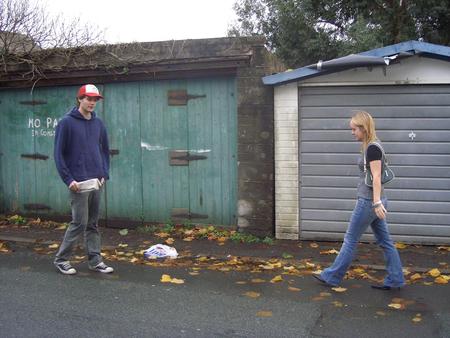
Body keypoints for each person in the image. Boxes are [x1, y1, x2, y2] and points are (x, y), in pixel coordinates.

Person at [313, 111, 404, 290]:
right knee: (385, 241)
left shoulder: (372, 148)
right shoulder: (372, 145)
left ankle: (332, 276)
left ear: (363, 128)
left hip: (369, 202)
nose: (352, 132)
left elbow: (377, 177)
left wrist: (376, 202)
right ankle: (395, 279)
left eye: (354, 129)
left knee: (350, 239)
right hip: (374, 201)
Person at [53, 84, 113, 275]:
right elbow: (58, 154)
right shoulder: (66, 123)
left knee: (93, 224)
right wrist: (68, 179)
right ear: (79, 99)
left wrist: (104, 173)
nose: (92, 103)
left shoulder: (98, 123)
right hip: (78, 183)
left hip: (96, 181)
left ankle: (95, 260)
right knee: (79, 223)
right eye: (88, 99)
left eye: (95, 99)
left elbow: (104, 149)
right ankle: (61, 260)